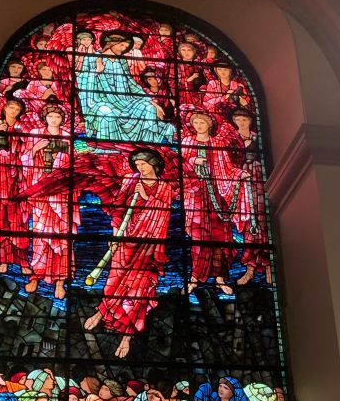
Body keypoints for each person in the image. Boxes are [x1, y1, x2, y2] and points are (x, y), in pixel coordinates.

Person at [83, 148, 173, 358]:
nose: (140, 168)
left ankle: (127, 336)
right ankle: (101, 312)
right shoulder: (131, 180)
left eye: (144, 164)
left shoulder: (165, 187)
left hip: (148, 245)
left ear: (154, 164)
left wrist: (145, 197)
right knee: (114, 280)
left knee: (138, 289)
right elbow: (118, 209)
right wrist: (115, 235)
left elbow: (163, 214)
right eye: (138, 164)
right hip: (126, 238)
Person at [182, 110, 250, 294]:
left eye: (202, 123)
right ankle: (195, 277)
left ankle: (220, 278)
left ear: (209, 125)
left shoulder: (217, 143)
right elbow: (180, 166)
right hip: (195, 195)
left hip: (217, 196)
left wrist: (239, 174)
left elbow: (227, 168)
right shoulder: (187, 142)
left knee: (220, 236)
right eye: (195, 123)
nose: (198, 126)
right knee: (198, 236)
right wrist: (193, 160)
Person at [77, 30, 176, 144]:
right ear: (111, 43)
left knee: (149, 108)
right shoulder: (93, 58)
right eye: (122, 45)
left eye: (126, 46)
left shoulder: (122, 61)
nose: (123, 48)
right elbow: (81, 80)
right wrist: (96, 72)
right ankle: (109, 147)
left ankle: (145, 145)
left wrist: (152, 103)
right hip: (100, 101)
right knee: (106, 112)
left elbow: (131, 83)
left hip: (126, 101)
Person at [22, 104, 77, 299]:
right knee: (41, 235)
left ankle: (60, 281)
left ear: (63, 119)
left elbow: (74, 165)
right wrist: (36, 148)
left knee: (62, 238)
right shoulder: (36, 133)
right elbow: (24, 160)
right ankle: (36, 274)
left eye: (57, 116)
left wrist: (63, 160)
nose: (54, 119)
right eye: (51, 116)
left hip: (61, 193)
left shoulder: (68, 137)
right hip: (42, 192)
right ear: (45, 118)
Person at [0, 98, 32, 275]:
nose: (14, 110)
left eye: (17, 108)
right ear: (4, 108)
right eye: (11, 107)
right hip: (0, 177)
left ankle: (23, 262)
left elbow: (28, 150)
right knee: (0, 221)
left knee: (18, 221)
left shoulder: (24, 129)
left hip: (18, 179)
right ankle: (3, 260)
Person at [232, 106, 271, 284]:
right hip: (241, 182)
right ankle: (250, 269)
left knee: (263, 223)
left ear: (250, 121)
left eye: (245, 119)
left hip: (258, 178)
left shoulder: (258, 138)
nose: (241, 122)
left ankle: (269, 267)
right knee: (249, 224)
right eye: (238, 119)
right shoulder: (231, 139)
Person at [177, 40, 205, 106]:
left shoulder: (199, 66)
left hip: (198, 94)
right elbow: (175, 81)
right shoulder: (177, 66)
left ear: (194, 52)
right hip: (183, 94)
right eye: (183, 50)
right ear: (180, 52)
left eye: (189, 50)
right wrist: (191, 78)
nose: (186, 52)